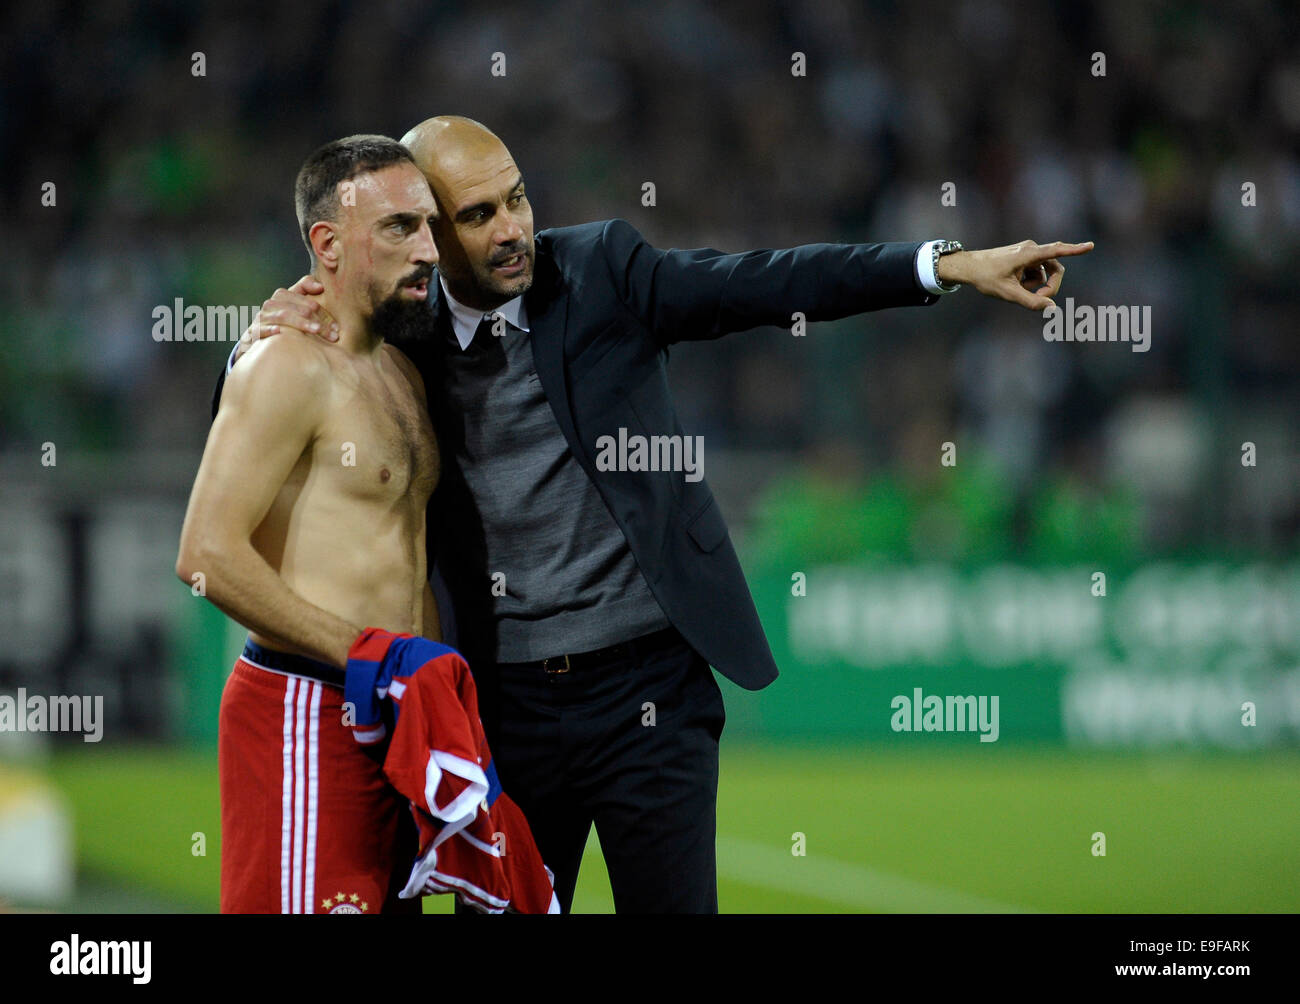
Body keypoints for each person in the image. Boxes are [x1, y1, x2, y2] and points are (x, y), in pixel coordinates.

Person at [221, 115, 1094, 912]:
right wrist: (255, 334)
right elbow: (292, 373)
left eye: (518, 198)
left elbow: (765, 282)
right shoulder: (402, 329)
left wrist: (945, 266)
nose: (514, 228)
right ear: (427, 238)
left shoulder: (602, 272)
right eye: (479, 215)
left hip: (649, 692)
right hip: (506, 708)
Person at [177, 134, 442, 913]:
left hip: (392, 712)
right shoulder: (284, 362)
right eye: (399, 227)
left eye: (428, 225)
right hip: (307, 709)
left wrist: (415, 684)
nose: (428, 248)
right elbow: (204, 554)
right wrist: (369, 655)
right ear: (326, 244)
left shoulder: (401, 371)